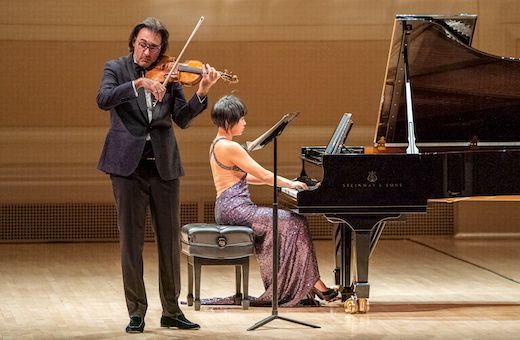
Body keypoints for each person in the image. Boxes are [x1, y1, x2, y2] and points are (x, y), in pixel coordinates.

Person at [96, 17, 219, 333]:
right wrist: (138, 83)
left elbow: (182, 118)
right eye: (142, 44)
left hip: (163, 165)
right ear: (133, 41)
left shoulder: (172, 74)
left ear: (162, 49)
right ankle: (136, 311)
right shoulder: (116, 69)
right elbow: (103, 99)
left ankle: (171, 310)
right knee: (131, 242)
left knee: (168, 240)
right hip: (127, 168)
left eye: (154, 47)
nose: (147, 52)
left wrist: (201, 92)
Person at [209, 95, 338, 307]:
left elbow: (245, 177)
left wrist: (281, 183)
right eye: (241, 118)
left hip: (227, 207)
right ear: (228, 121)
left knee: (291, 222)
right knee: (295, 222)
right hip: (237, 209)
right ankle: (313, 284)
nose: (244, 122)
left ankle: (309, 283)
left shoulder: (217, 144)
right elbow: (263, 173)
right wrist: (290, 184)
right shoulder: (230, 147)